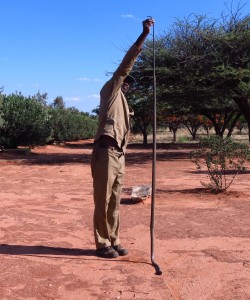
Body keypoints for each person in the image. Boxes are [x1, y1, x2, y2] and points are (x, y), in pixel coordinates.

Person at [91, 18, 154, 258]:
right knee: (103, 200)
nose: (128, 84)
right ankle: (102, 243)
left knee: (114, 201)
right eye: (126, 81)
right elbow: (125, 66)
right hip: (105, 151)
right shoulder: (110, 91)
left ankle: (114, 239)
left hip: (119, 155)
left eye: (130, 84)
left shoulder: (125, 104)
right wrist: (143, 36)